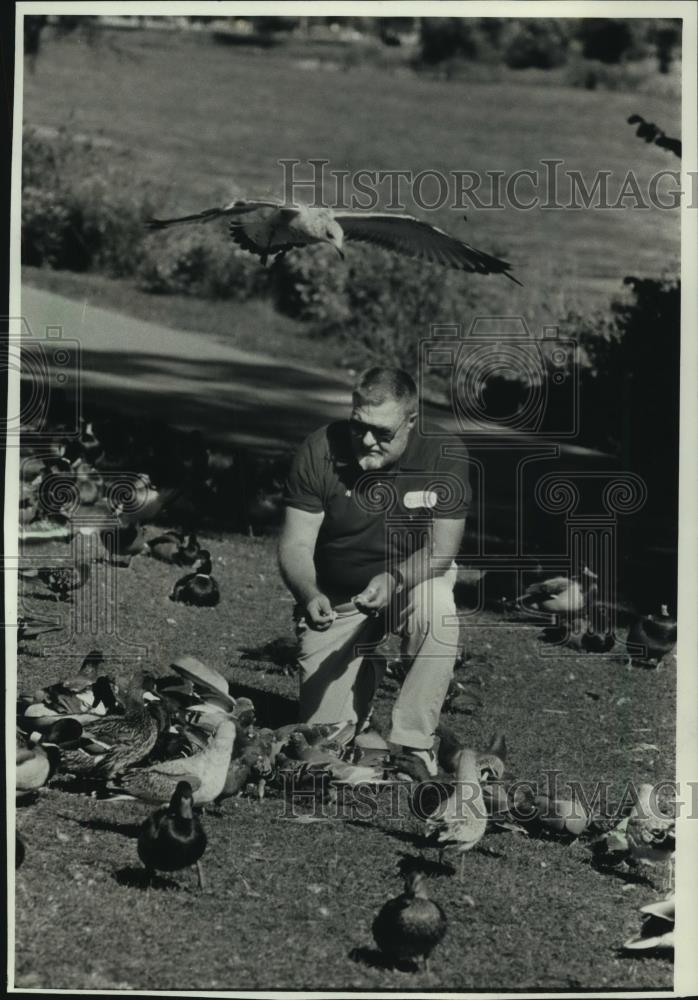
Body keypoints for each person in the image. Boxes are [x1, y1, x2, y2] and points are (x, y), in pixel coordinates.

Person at [278, 366, 470, 775]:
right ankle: (362, 681)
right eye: (358, 425)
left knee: (436, 605)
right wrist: (308, 594)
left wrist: (395, 578)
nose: (366, 440)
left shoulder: (444, 454)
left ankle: (413, 744)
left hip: (410, 583)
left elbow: (442, 549)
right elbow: (295, 545)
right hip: (335, 596)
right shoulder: (318, 449)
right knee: (323, 739)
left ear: (411, 422)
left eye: (383, 433)